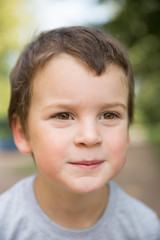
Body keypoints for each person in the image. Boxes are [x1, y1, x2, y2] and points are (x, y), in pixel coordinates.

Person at [0, 26, 159, 240]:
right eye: (63, 116)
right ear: (23, 134)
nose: (90, 137)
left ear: (127, 131)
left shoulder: (145, 228)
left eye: (109, 115)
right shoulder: (5, 224)